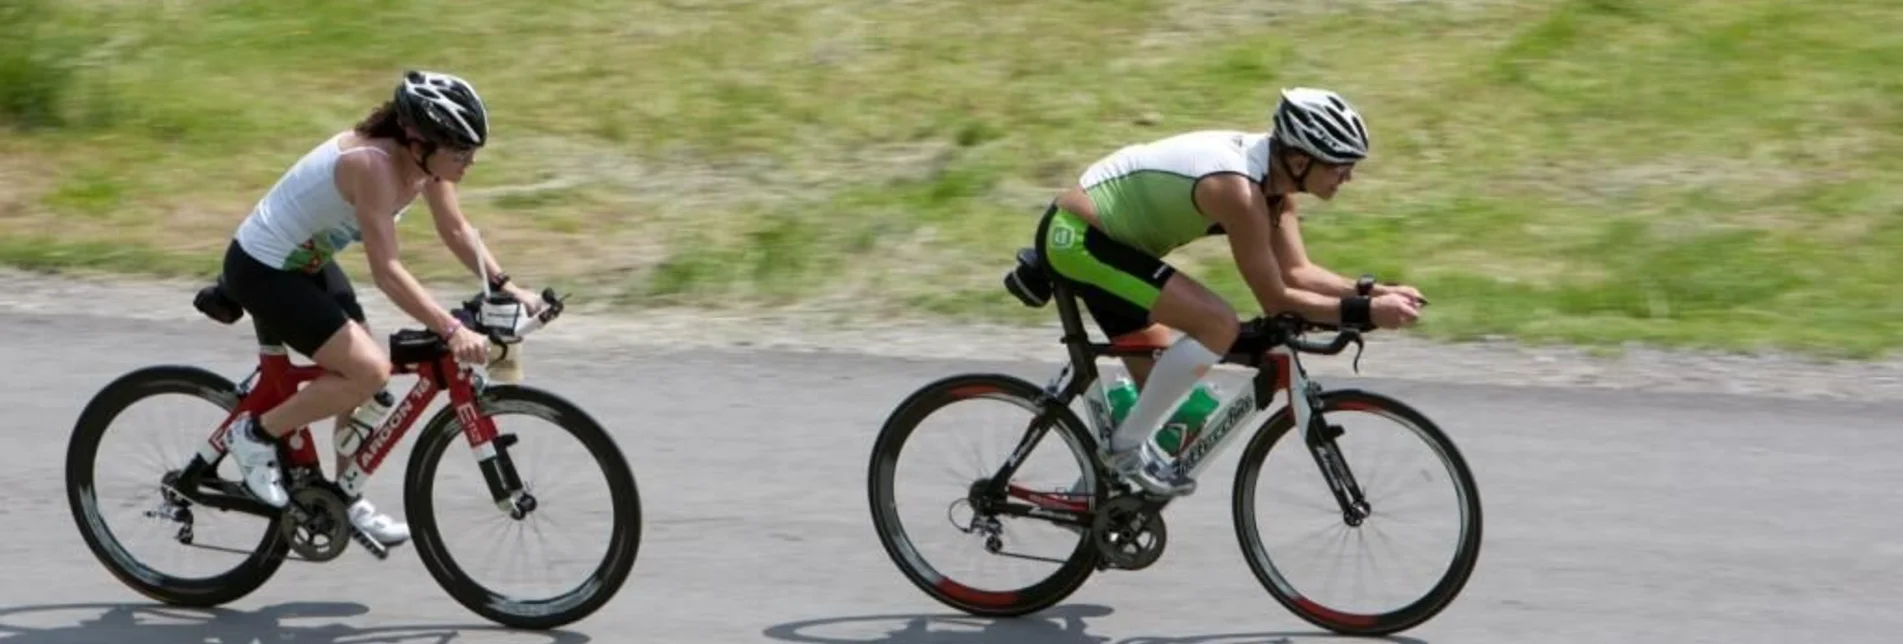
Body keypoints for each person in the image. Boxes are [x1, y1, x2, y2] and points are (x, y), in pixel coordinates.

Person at [1034, 87, 1426, 497]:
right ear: (1299, 160)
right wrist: (1365, 313)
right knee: (1217, 323)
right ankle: (1122, 453)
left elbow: (1298, 272)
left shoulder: (1276, 190)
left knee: (1159, 379)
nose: (1349, 176)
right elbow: (1276, 298)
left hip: (1117, 246)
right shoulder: (1239, 190)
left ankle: (1090, 497)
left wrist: (1375, 291)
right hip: (1077, 239)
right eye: (1341, 166)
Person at [215, 70, 546, 546]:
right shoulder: (372, 165)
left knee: (371, 377)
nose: (469, 162)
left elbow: (455, 229)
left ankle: (345, 496)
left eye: (473, 151)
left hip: (304, 261)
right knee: (368, 372)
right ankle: (254, 434)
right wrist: (452, 330)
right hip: (263, 269)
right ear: (418, 140)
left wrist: (504, 285)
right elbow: (387, 271)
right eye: (461, 152)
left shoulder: (425, 164)